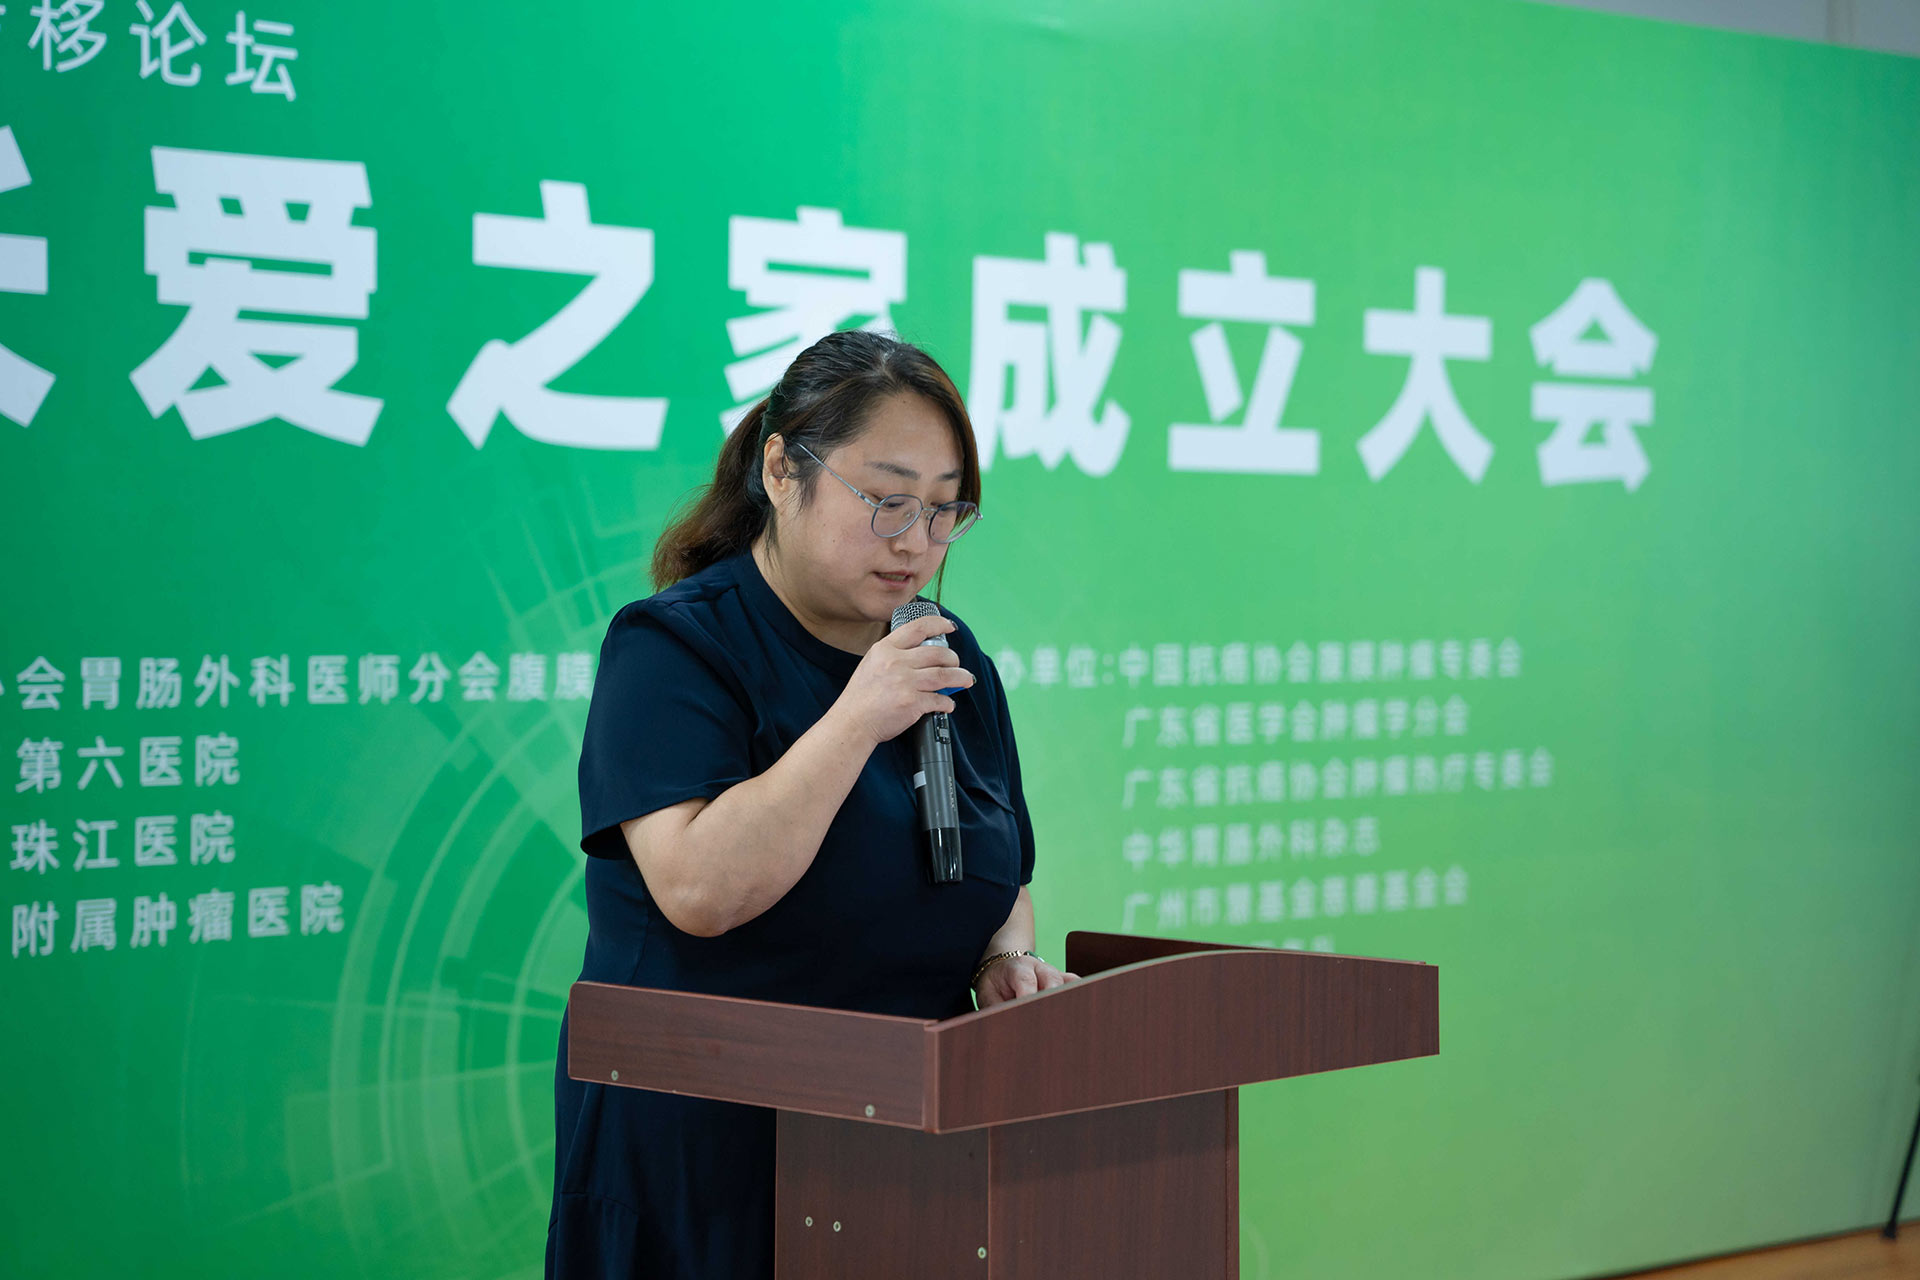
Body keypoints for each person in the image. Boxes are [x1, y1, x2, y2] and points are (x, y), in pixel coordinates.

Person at [546, 329, 1075, 1279]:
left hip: (900, 1148)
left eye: (945, 509)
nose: (916, 541)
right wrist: (857, 717)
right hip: (703, 1155)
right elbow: (701, 891)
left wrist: (1005, 957)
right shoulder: (673, 649)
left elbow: (996, 874)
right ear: (782, 470)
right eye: (887, 500)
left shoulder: (945, 656)